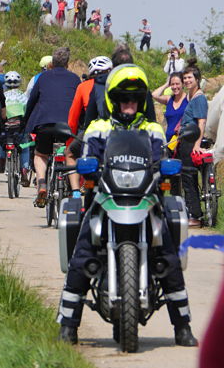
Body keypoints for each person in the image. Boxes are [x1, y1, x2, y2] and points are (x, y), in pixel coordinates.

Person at [57, 64, 198, 347]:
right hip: (105, 198)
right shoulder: (98, 128)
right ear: (114, 99)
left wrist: (167, 168)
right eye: (124, 98)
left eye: (134, 99)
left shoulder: (153, 129)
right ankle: (68, 326)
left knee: (168, 256)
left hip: (146, 199)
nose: (130, 104)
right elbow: (87, 159)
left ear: (142, 101)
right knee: (83, 254)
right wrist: (87, 167)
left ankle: (182, 327)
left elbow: (160, 159)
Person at [24, 47, 80, 206]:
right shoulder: (75, 79)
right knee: (71, 154)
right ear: (67, 63)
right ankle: (74, 188)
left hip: (44, 123)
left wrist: (26, 122)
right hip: (67, 126)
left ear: (52, 63)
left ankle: (41, 183)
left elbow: (32, 101)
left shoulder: (42, 78)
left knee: (41, 154)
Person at [65, 56, 113, 197]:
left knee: (70, 153)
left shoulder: (84, 86)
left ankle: (75, 192)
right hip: (120, 133)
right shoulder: (117, 84)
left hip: (93, 131)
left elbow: (73, 118)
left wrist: (69, 140)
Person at [178, 59, 208, 227]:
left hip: (191, 141)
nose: (187, 81)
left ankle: (195, 215)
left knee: (189, 177)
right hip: (185, 139)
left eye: (190, 78)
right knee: (186, 177)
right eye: (185, 78)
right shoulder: (191, 97)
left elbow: (201, 123)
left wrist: (196, 145)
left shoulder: (199, 98)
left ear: (197, 79)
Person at [0, 71, 31, 185]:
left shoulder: (3, 96)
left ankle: (1, 162)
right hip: (19, 128)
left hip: (7, 128)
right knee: (25, 147)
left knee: (1, 142)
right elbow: (27, 112)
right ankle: (24, 170)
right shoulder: (23, 96)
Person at [152, 72, 187, 142]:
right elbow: (154, 95)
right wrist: (166, 84)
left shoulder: (189, 99)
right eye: (172, 84)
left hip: (182, 140)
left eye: (177, 84)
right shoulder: (169, 99)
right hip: (168, 141)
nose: (175, 87)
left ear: (183, 84)